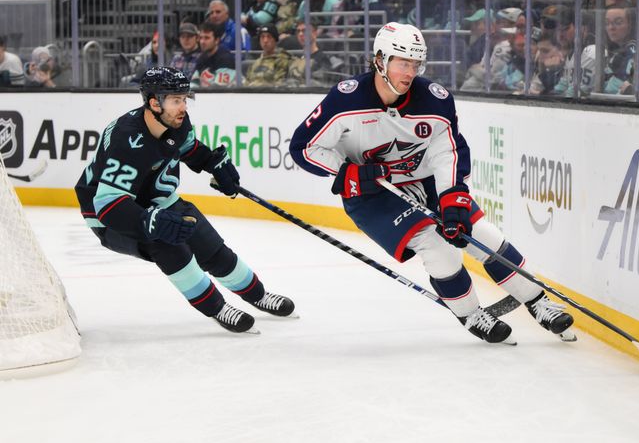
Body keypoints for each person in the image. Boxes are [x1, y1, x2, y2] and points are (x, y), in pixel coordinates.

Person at [289, 22, 575, 344]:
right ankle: (470, 314)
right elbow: (303, 147)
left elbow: (448, 151)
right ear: (380, 60)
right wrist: (347, 173)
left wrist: (452, 196)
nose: (409, 72)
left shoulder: (434, 101)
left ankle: (539, 302)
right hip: (374, 196)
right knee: (438, 249)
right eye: (402, 62)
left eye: (415, 64)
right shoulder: (346, 100)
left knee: (481, 234)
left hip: (424, 181)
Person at [75, 66, 296, 333]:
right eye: (175, 100)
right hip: (107, 216)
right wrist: (148, 221)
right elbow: (108, 205)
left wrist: (213, 164)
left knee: (210, 247)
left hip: (157, 200)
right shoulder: (127, 139)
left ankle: (258, 295)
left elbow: (188, 149)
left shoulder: (177, 122)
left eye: (184, 98)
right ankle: (217, 307)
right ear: (154, 102)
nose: (183, 107)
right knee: (166, 244)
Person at [190, 22, 237, 88]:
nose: (202, 42)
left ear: (217, 40)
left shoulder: (226, 59)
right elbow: (193, 84)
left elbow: (218, 89)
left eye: (207, 38)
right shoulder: (202, 58)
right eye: (201, 38)